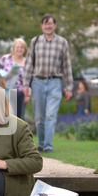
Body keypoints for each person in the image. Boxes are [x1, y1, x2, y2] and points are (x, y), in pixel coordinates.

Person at [23, 14, 73, 153]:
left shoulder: (62, 42)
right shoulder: (35, 41)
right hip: (37, 82)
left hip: (55, 82)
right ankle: (41, 143)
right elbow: (28, 64)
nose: (48, 26)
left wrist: (69, 87)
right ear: (42, 26)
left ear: (55, 25)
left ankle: (48, 145)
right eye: (45, 24)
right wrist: (26, 84)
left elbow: (67, 65)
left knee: (51, 115)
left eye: (50, 24)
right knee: (39, 117)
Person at [0, 38, 29, 119]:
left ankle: (18, 132)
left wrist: (28, 94)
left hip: (21, 93)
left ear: (25, 49)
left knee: (19, 119)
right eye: (17, 47)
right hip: (6, 91)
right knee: (6, 117)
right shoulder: (5, 59)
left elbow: (30, 79)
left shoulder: (27, 62)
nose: (19, 49)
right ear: (14, 48)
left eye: (22, 47)